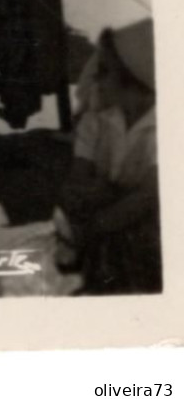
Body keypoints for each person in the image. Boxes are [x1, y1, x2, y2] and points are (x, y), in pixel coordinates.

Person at [56, 22, 158, 294]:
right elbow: (79, 175)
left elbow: (148, 196)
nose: (95, 81)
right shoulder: (98, 120)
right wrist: (78, 192)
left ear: (135, 82)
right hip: (105, 218)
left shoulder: (164, 129)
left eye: (103, 73)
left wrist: (94, 221)